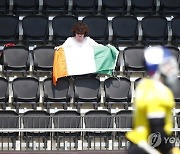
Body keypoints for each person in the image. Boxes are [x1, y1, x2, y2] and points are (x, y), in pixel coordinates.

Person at [126, 46, 180, 154]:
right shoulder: (158, 91)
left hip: (139, 144)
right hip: (147, 147)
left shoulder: (145, 85)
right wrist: (169, 150)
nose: (171, 68)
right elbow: (157, 129)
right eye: (167, 65)